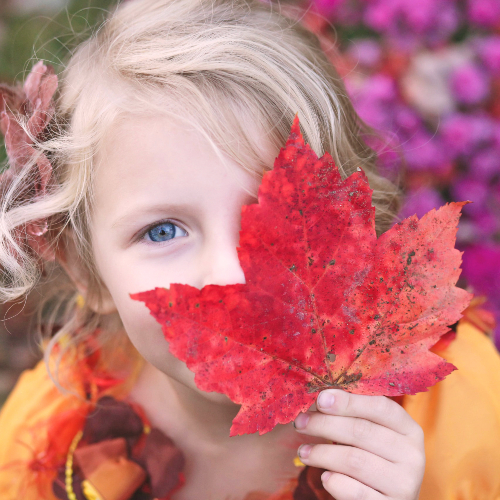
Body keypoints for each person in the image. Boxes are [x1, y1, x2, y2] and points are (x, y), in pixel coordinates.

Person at [0, 0, 499, 499]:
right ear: (86, 271)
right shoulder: (42, 445)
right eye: (162, 232)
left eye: (275, 215)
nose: (230, 273)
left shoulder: (463, 419)